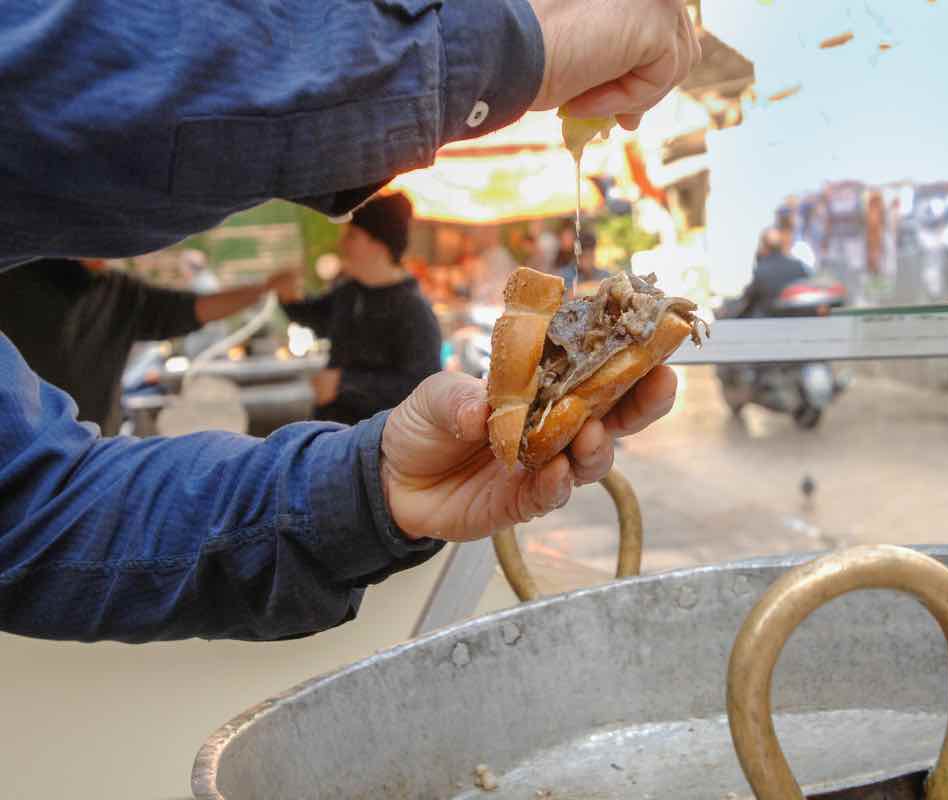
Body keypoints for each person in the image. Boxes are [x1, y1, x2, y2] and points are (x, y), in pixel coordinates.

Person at [0, 0, 700, 642]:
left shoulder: (408, 310)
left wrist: (372, 486)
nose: (339, 237)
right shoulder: (343, 297)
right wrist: (501, 45)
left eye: (351, 234)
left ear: (373, 243)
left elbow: (34, 511)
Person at [0, 257, 300, 435]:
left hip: (87, 459)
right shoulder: (14, 274)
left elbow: (193, 310)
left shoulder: (120, 293)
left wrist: (264, 289)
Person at [282, 193, 442, 424]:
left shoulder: (414, 311)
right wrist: (288, 297)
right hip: (336, 434)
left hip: (381, 446)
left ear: (378, 246)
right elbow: (317, 319)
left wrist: (344, 383)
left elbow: (423, 384)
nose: (342, 243)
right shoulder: (350, 292)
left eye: (353, 236)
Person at [735, 227, 816, 317]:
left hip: (768, 325)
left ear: (763, 246)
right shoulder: (798, 267)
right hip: (798, 323)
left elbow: (746, 303)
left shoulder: (761, 271)